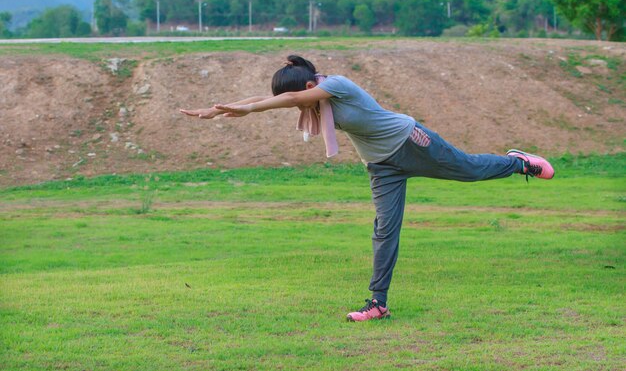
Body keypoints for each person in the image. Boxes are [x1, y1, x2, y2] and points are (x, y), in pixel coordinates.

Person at [180, 55, 554, 322]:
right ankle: (378, 303)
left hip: (411, 141)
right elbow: (273, 99)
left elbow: (289, 100)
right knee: (385, 231)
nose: (293, 105)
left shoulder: (336, 85)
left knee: (469, 169)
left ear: (312, 86)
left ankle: (517, 161)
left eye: (298, 97)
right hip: (381, 166)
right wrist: (219, 110)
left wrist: (250, 110)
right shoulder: (311, 96)